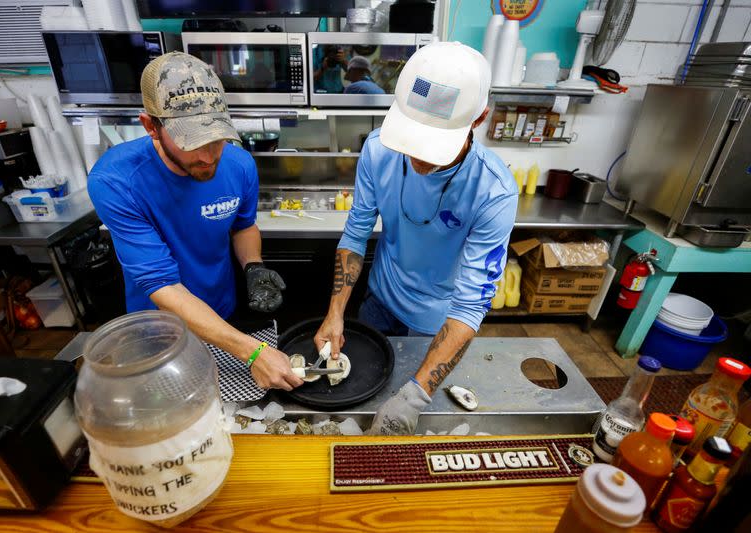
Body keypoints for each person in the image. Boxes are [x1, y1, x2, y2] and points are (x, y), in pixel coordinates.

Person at [313, 42, 518, 435]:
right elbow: (356, 232)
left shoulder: (493, 193)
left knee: (406, 413)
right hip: (378, 302)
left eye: (434, 144)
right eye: (412, 137)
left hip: (433, 324)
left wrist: (416, 397)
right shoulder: (378, 152)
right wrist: (335, 311)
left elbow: (471, 304)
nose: (417, 155)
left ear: (479, 119)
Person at [88, 52, 301, 392]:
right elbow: (162, 285)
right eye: (192, 141)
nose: (208, 156)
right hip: (159, 330)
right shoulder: (116, 180)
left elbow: (243, 226)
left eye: (216, 138)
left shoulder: (239, 165)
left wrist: (253, 267)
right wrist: (254, 351)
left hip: (222, 316)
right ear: (151, 126)